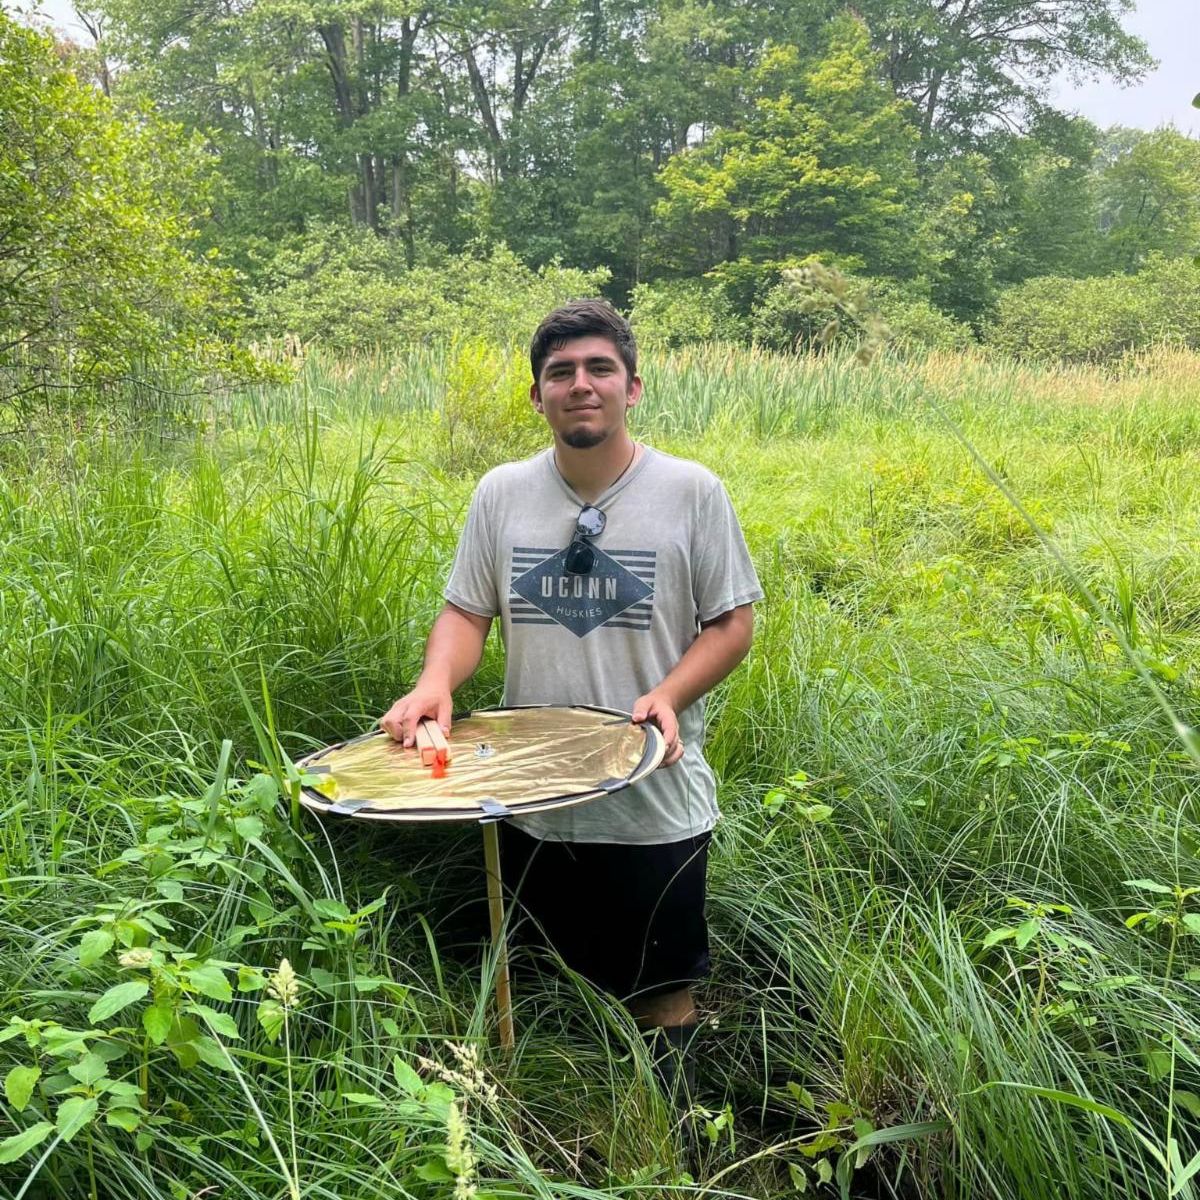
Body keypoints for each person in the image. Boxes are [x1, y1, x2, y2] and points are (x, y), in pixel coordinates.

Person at [379, 299, 762, 1110]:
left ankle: (668, 1135)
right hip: (529, 807)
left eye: (599, 369)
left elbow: (732, 625)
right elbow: (466, 613)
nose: (580, 385)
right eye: (560, 373)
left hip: (652, 804)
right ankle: (553, 1130)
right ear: (537, 395)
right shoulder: (502, 493)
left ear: (633, 388)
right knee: (543, 985)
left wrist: (668, 693)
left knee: (660, 996)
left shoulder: (691, 492)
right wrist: (436, 682)